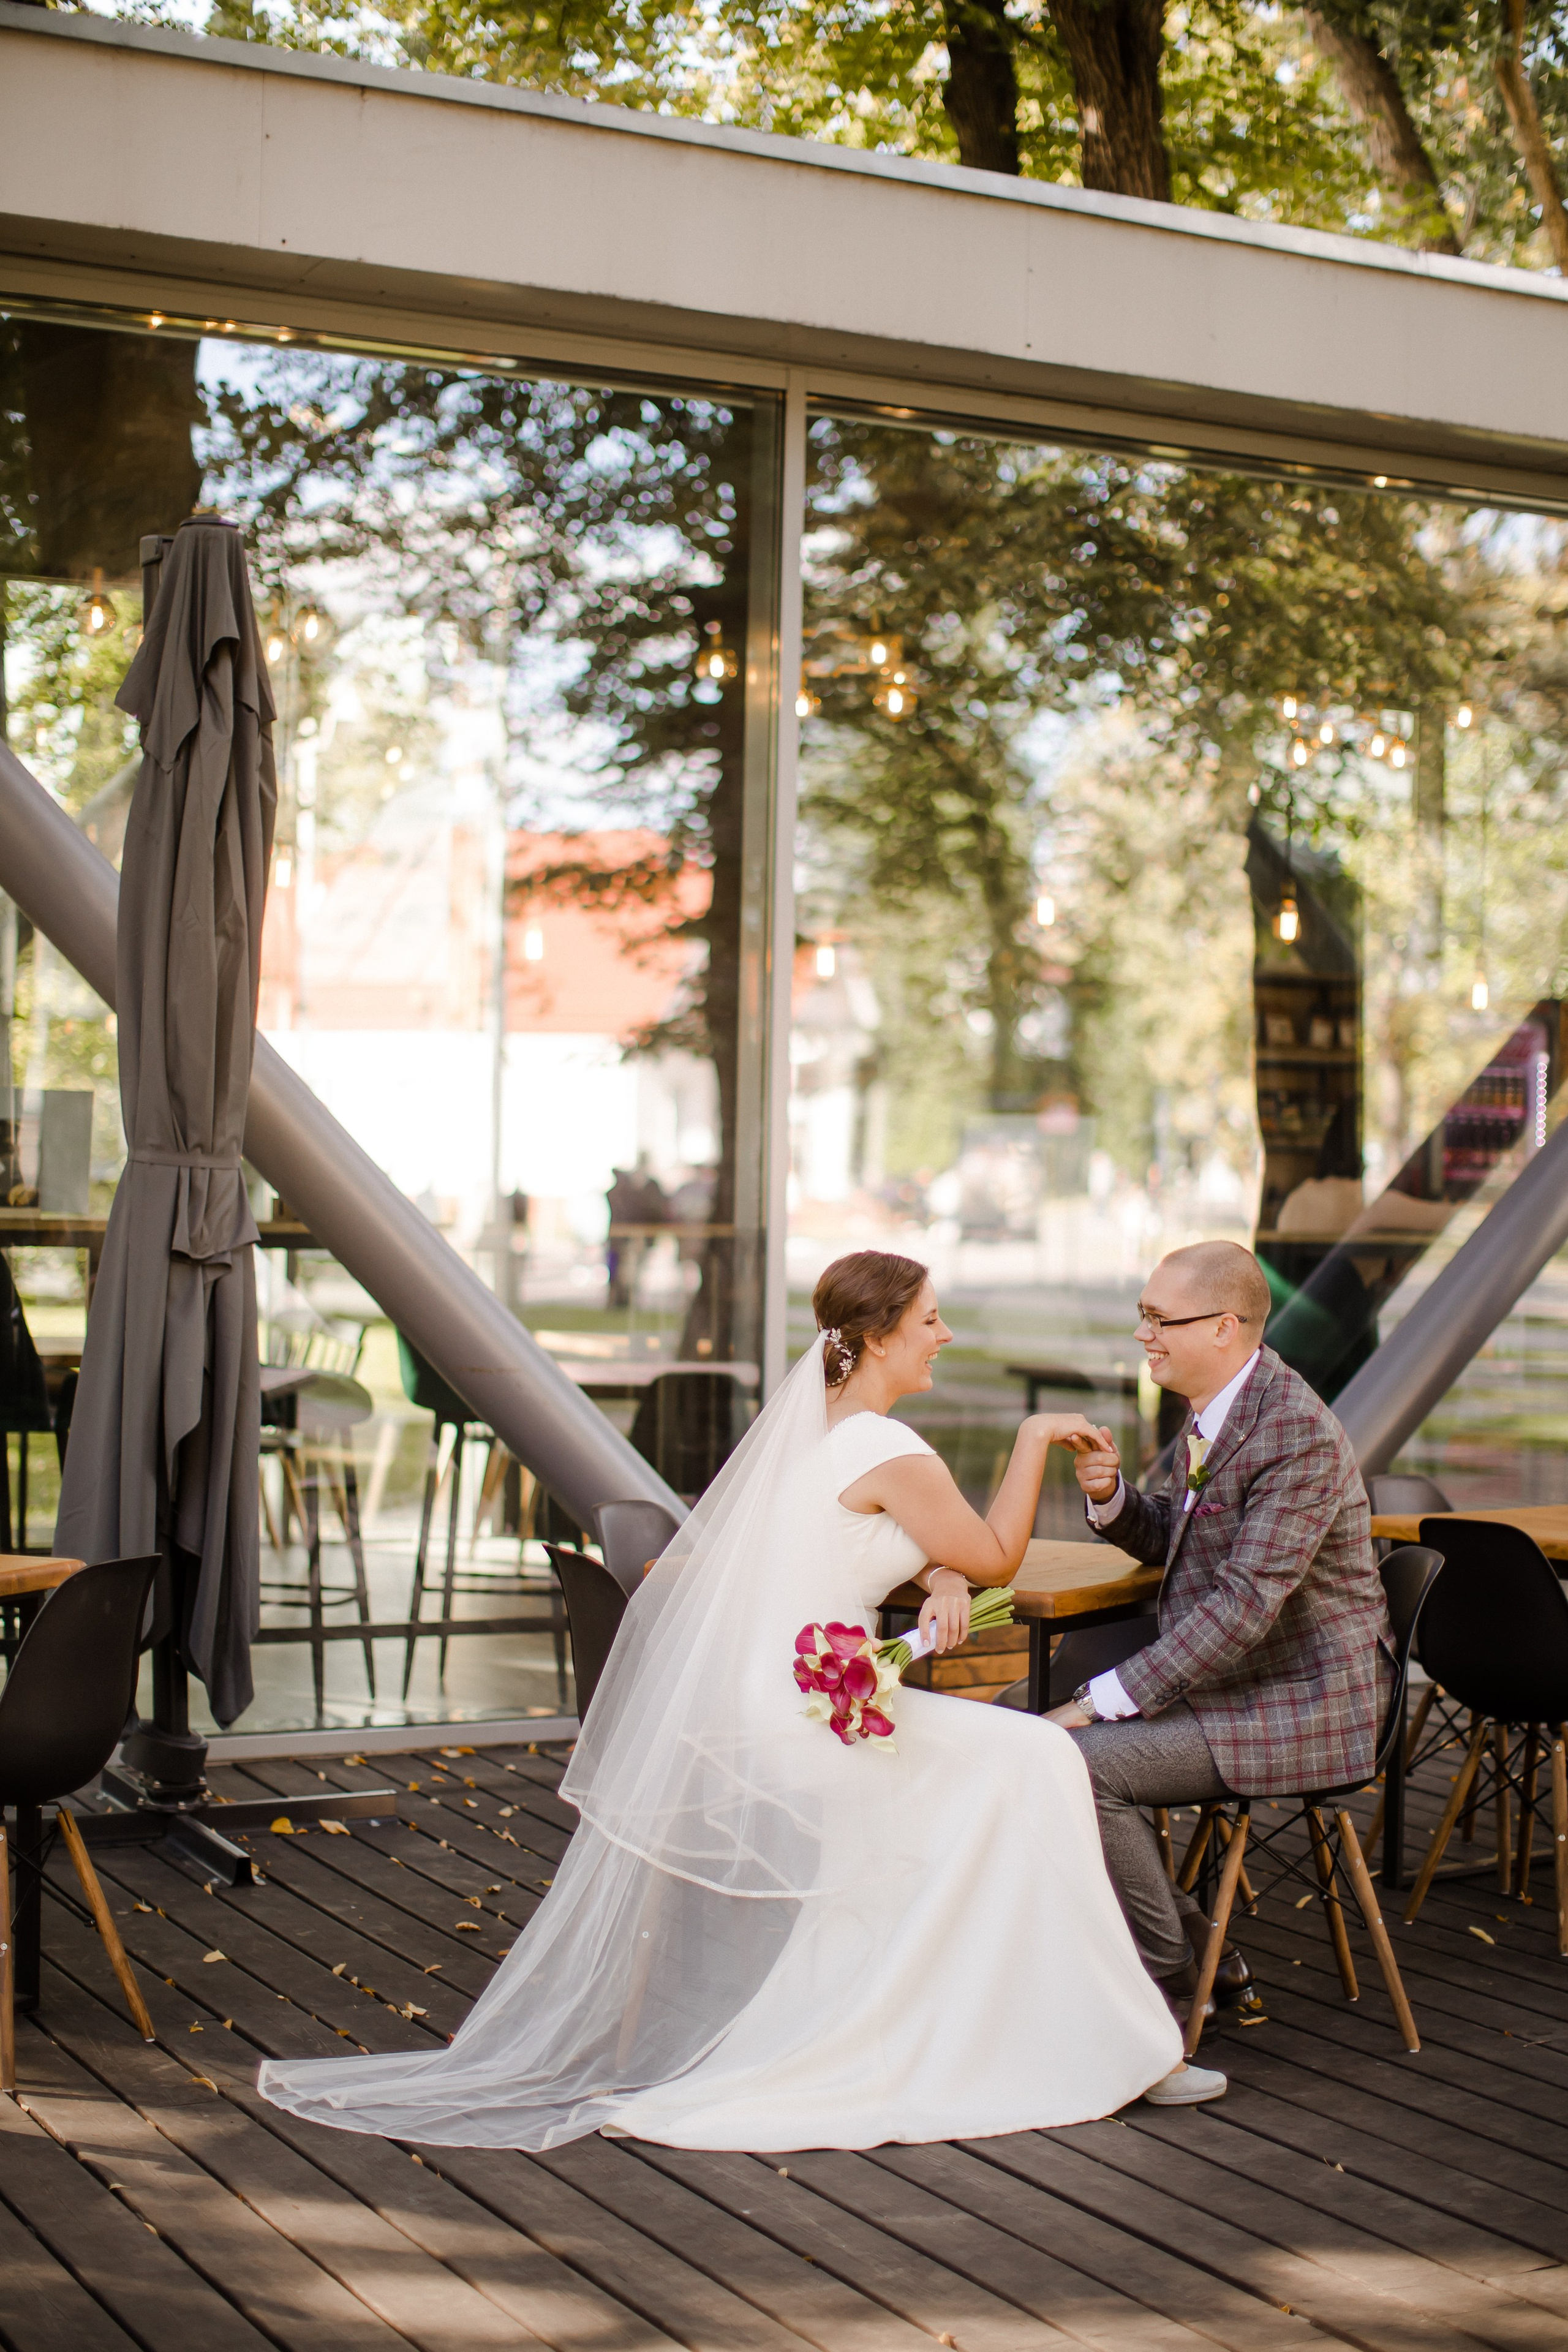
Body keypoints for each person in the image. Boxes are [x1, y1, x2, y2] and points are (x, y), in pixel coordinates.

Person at [258, 1249, 1210, 2154]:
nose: (945, 1334)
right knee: (1036, 1758)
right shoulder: (889, 1446)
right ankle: (1093, 2032)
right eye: (930, 1320)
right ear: (879, 1338)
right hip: (817, 1717)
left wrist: (942, 1576)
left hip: (782, 1699)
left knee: (1017, 1766)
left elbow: (883, 1545)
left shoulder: (820, 1432)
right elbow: (999, 1555)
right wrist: (1035, 1440)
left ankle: (1036, 2018)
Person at [1050, 1239, 1392, 2020]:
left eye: (1158, 1319)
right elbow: (1188, 1540)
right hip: (1229, 1680)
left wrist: (1101, 1699)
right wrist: (1112, 1501)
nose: (1143, 1335)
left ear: (1223, 1328)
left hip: (1302, 1699)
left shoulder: (1293, 1432)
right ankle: (1185, 1954)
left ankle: (1177, 1980)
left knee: (1079, 1764)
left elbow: (1242, 1604)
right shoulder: (1217, 1407)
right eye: (1142, 1316)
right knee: (1019, 1720)